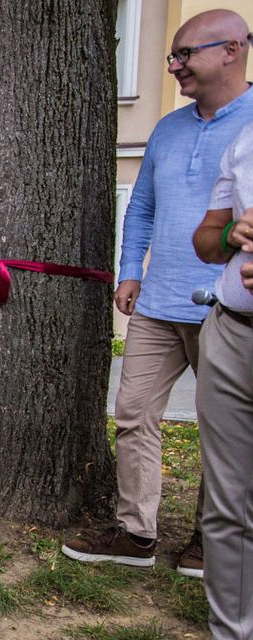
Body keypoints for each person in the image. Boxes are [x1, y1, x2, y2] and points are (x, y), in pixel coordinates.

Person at [62, 10, 253, 580]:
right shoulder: (169, 128)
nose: (174, 66)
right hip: (157, 303)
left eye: (184, 54)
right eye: (171, 55)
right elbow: (141, 205)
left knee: (223, 431)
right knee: (133, 413)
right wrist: (130, 272)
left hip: (227, 309)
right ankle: (137, 531)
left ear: (231, 50)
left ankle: (207, 540)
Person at [192, 114, 253, 638]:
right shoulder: (244, 141)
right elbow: (207, 241)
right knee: (227, 506)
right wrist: (231, 233)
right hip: (233, 330)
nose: (174, 65)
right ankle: (231, 630)